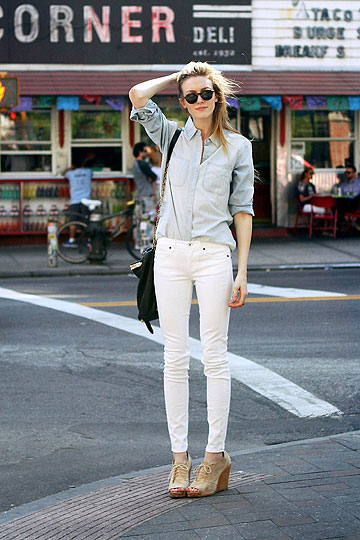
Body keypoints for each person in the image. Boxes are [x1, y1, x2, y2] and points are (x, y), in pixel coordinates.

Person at [129, 61, 254, 498]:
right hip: (169, 255)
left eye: (205, 93)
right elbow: (137, 96)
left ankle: (213, 459)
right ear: (182, 101)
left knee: (215, 358)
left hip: (214, 256)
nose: (198, 101)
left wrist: (242, 270)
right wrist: (173, 78)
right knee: (175, 359)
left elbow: (242, 210)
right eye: (189, 96)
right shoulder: (171, 136)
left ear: (217, 96)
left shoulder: (238, 147)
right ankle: (179, 461)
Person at [63, 154, 94, 247]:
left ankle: (72, 240)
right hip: (86, 201)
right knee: (86, 221)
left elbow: (63, 173)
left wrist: (70, 168)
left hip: (75, 200)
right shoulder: (88, 172)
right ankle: (89, 241)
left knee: (73, 221)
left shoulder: (70, 174)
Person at [132, 142, 158, 248]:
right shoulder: (143, 164)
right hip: (147, 195)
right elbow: (154, 177)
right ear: (140, 151)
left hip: (138, 194)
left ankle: (138, 242)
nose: (146, 153)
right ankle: (147, 241)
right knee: (149, 218)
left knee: (138, 219)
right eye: (144, 151)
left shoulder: (135, 164)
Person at [336, 165, 360, 230]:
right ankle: (342, 223)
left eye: (349, 173)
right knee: (338, 201)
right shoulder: (343, 184)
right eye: (346, 173)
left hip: (355, 203)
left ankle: (343, 223)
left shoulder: (358, 183)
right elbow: (340, 194)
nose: (347, 174)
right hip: (345, 203)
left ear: (354, 173)